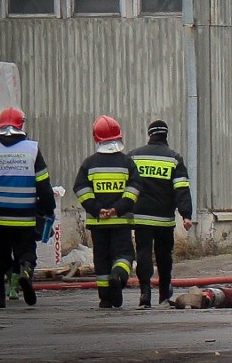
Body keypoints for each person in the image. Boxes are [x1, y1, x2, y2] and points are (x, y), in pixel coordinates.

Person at [0, 107, 56, 308]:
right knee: (26, 250)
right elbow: (43, 185)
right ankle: (25, 272)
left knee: (0, 254)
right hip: (25, 216)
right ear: (21, 124)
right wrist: (47, 209)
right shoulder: (32, 150)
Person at [73, 115, 141, 308]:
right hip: (121, 221)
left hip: (98, 223)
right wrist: (117, 209)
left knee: (101, 258)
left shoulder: (89, 163)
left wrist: (97, 209)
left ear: (96, 138)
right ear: (119, 137)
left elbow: (80, 189)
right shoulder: (127, 163)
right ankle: (118, 276)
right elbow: (135, 188)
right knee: (124, 255)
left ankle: (105, 298)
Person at [129, 120, 193, 307]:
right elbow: (181, 189)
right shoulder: (173, 158)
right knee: (164, 254)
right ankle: (164, 293)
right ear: (166, 135)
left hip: (140, 216)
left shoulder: (133, 157)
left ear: (150, 134)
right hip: (164, 218)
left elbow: (126, 185)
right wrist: (186, 215)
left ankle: (145, 293)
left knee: (143, 251)